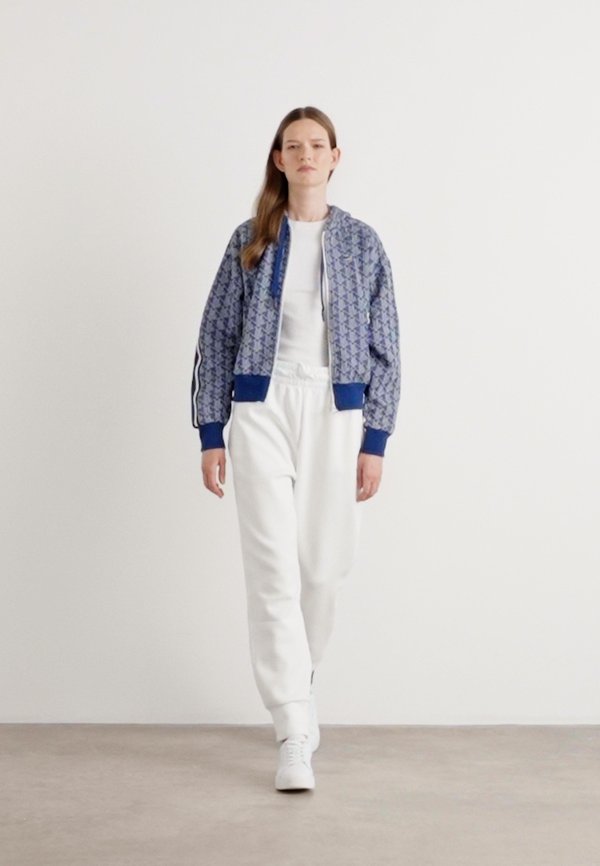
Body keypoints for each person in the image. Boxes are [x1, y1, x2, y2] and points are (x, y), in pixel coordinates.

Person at [190, 106, 401, 792]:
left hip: (336, 411)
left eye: (317, 145)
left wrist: (375, 439)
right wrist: (212, 431)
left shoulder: (363, 244)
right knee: (271, 569)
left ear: (335, 157)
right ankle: (292, 729)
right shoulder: (250, 239)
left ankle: (300, 688)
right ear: (278, 159)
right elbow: (216, 335)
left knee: (324, 568)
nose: (305, 154)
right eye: (293, 145)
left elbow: (386, 348)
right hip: (261, 407)